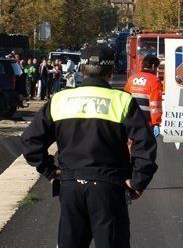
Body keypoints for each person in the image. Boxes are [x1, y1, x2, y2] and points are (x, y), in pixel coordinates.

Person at [20, 45, 157, 248]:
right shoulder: (122, 101)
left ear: (81, 70)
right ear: (110, 72)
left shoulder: (59, 100)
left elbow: (30, 141)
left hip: (70, 187)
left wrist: (49, 171)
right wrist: (138, 181)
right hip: (109, 188)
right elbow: (145, 144)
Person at [124, 55, 164, 136]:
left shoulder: (132, 78)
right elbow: (155, 105)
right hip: (145, 122)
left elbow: (124, 98)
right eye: (157, 68)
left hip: (130, 119)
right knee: (145, 147)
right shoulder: (154, 81)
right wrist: (156, 123)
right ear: (153, 66)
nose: (156, 70)